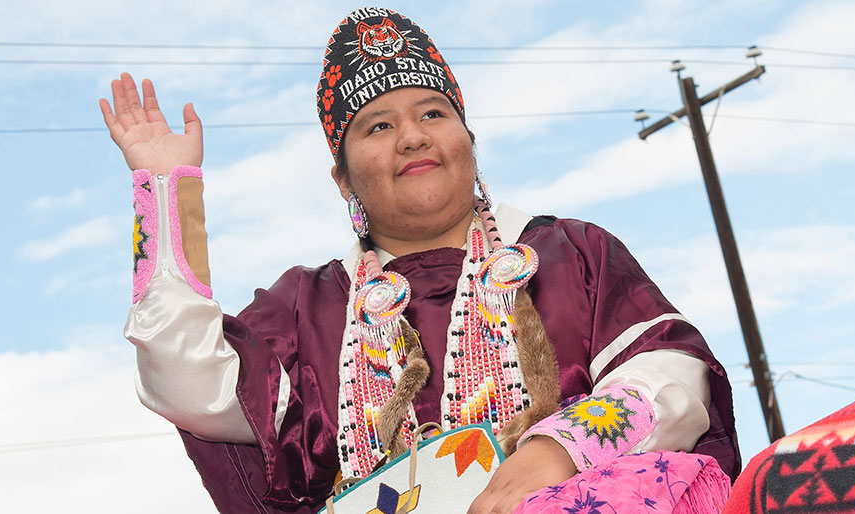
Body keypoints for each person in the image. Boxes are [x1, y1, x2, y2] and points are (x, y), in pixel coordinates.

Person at [100, 7, 739, 514]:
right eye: (377, 126)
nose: (412, 135)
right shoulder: (307, 308)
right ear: (343, 180)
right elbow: (183, 382)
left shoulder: (568, 252)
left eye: (432, 112)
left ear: (468, 141)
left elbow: (673, 377)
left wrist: (557, 453)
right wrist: (166, 192)